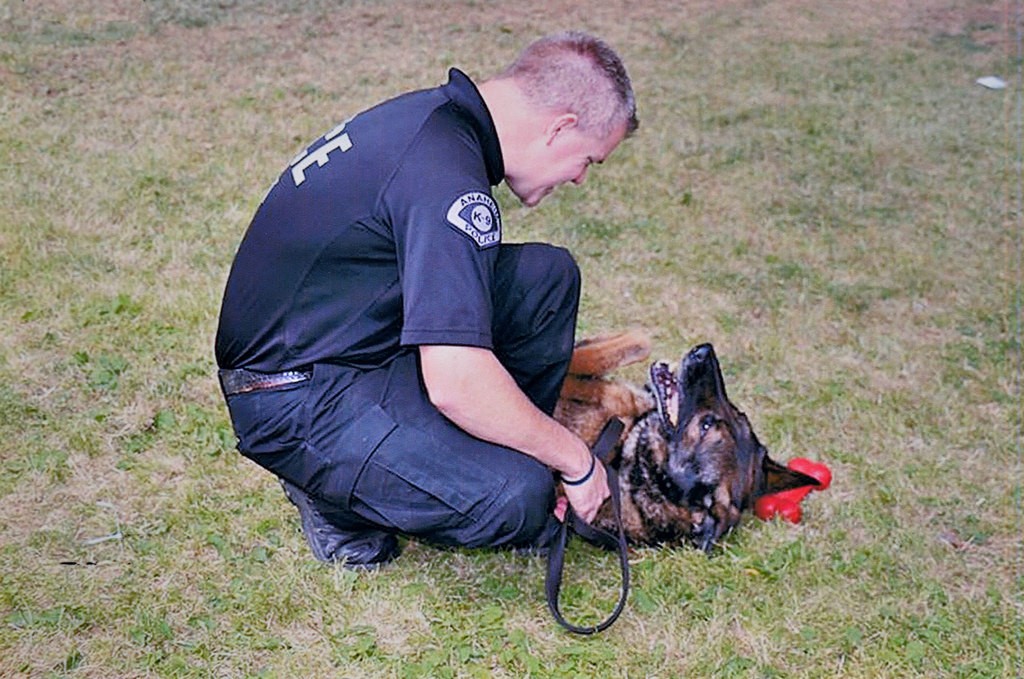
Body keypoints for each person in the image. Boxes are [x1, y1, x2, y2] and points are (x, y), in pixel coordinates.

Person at [215, 31, 638, 568]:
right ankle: (332, 495)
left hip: (352, 337)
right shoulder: (443, 177)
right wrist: (573, 460)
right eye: (588, 161)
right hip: (295, 397)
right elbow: (455, 381)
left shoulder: (436, 126)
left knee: (545, 280)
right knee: (515, 499)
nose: (579, 178)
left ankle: (468, 449)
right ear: (561, 127)